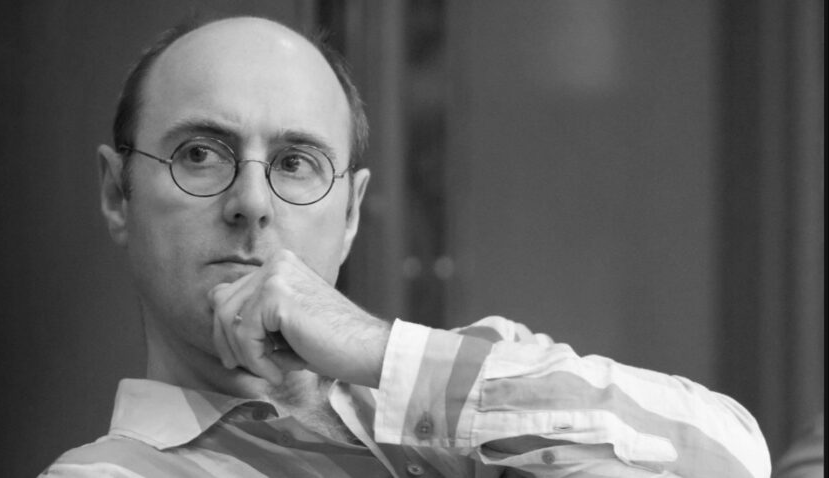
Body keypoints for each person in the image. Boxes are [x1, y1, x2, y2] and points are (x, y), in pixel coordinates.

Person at [42, 15, 771, 478]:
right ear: (117, 194)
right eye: (201, 153)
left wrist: (378, 353)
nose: (253, 204)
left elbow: (733, 457)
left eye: (296, 163)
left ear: (352, 211)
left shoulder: (456, 388)